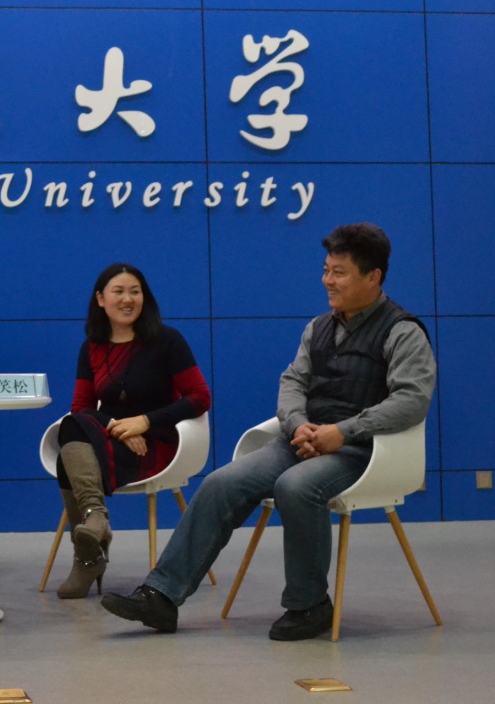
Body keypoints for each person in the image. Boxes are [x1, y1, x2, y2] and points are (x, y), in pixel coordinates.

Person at [101, 223, 436, 641]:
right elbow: (292, 381)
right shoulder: (318, 327)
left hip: (363, 453)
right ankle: (162, 596)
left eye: (339, 273)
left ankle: (309, 605)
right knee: (221, 483)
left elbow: (411, 400)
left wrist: (343, 432)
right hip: (302, 441)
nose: (327, 280)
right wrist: (297, 424)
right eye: (326, 270)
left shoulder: (402, 331)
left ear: (374, 277)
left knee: (296, 487)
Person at [53, 263, 211, 599]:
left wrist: (146, 422)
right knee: (72, 427)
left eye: (135, 292)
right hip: (112, 439)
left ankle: (88, 554)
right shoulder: (92, 347)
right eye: (119, 292)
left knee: (70, 449)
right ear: (101, 299)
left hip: (157, 444)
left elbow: (200, 397)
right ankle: (95, 522)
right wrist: (115, 427)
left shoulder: (167, 340)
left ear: (144, 298)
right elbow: (81, 406)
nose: (128, 299)